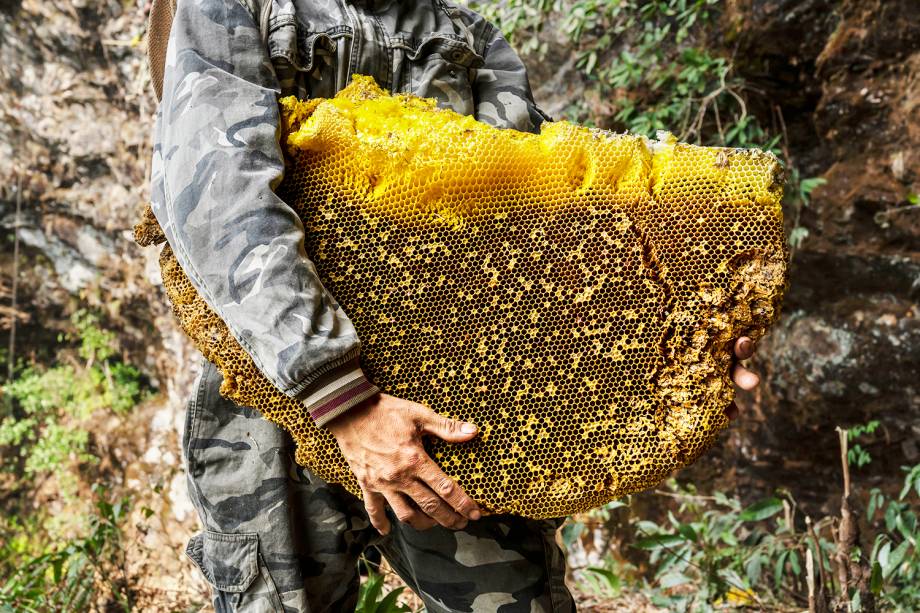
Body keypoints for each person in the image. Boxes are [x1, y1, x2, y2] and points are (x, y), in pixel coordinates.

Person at [150, 0, 762, 610]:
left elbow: (541, 222)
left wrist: (687, 324)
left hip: (452, 410)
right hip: (275, 395)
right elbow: (215, 191)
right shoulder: (238, 6)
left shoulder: (465, 35)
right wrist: (340, 397)